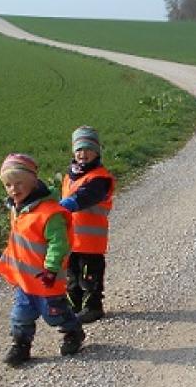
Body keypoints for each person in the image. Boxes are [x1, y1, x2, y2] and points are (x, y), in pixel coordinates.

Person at [0, 153, 84, 366]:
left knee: (55, 315)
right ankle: (21, 346)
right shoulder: (17, 209)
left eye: (19, 183)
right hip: (25, 282)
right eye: (8, 185)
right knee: (20, 316)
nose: (13, 189)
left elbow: (59, 244)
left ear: (33, 183)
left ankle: (73, 331)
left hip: (47, 278)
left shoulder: (50, 213)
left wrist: (51, 269)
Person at [58, 126, 115, 324]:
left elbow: (87, 196)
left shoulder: (99, 178)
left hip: (91, 240)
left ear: (96, 152)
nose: (83, 154)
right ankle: (74, 305)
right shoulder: (70, 175)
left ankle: (93, 306)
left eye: (88, 149)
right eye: (79, 149)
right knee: (72, 275)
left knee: (90, 276)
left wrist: (69, 204)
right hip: (71, 239)